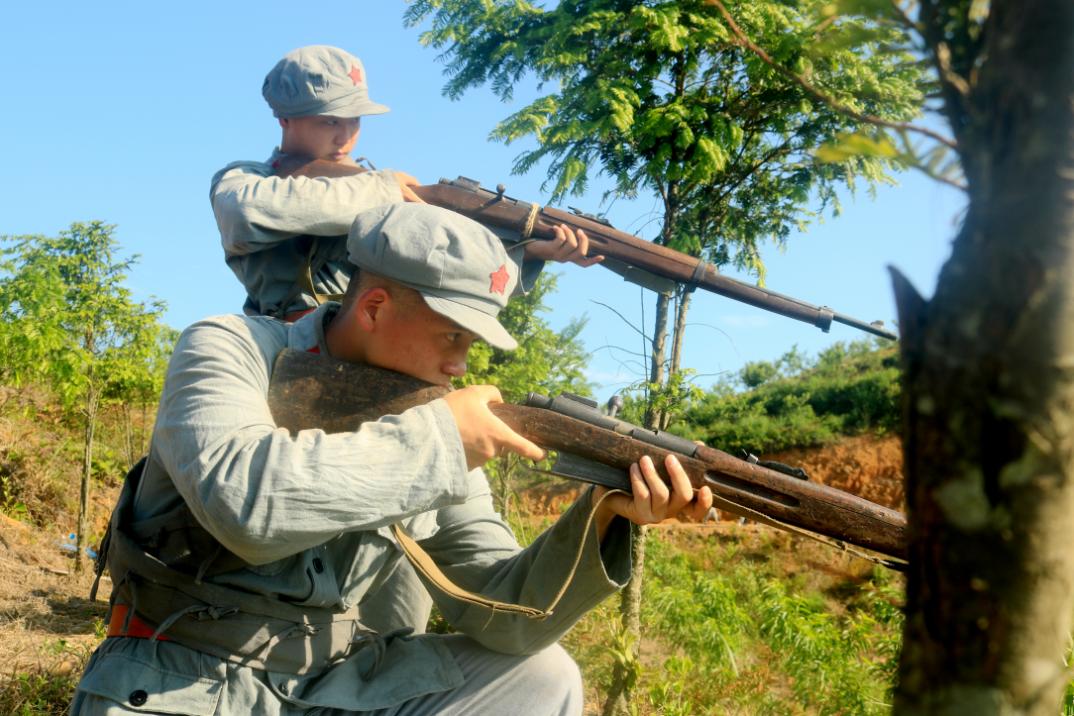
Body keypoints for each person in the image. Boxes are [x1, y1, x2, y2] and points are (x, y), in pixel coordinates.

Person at [72, 204, 713, 715]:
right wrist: (439, 441)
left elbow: (503, 615)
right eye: (452, 335)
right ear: (374, 307)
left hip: (335, 689)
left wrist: (602, 517)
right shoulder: (230, 348)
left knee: (538, 678)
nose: (463, 364)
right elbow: (247, 505)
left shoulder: (429, 417)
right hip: (173, 680)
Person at [212, 45, 597, 322]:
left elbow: (441, 270)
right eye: (330, 120)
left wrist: (531, 254)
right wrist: (382, 191)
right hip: (283, 340)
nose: (345, 136)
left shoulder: (371, 186)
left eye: (355, 120)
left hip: (371, 344)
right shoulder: (248, 180)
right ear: (285, 119)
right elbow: (244, 212)